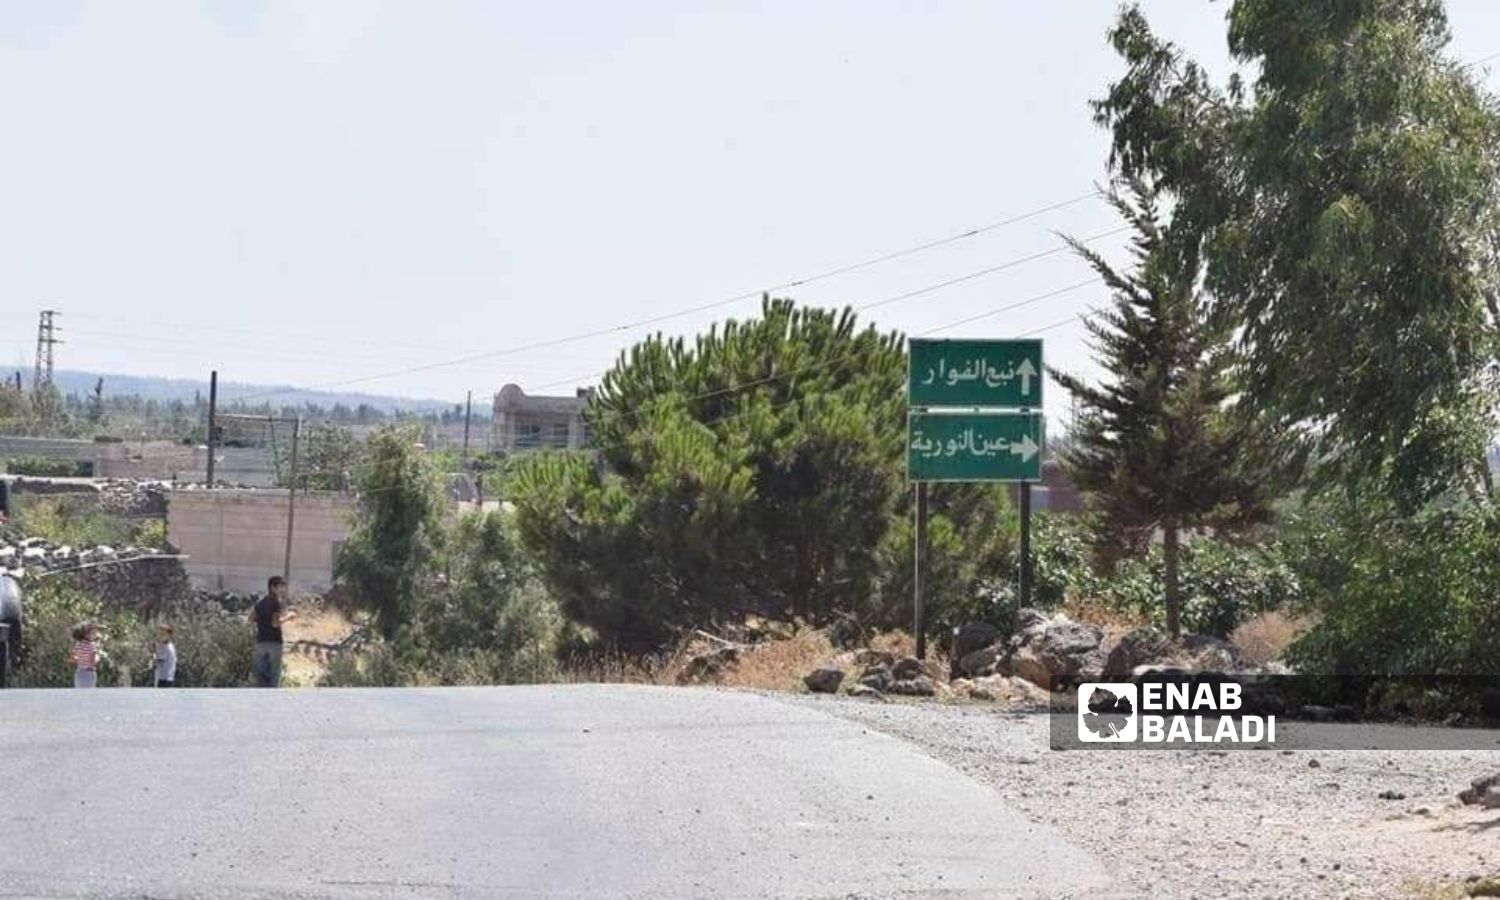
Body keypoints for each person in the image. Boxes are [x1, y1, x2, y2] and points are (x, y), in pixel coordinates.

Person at [248, 576, 296, 687]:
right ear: (272, 587)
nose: (282, 590)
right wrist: (289, 617)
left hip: (260, 642)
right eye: (280, 587)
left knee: (260, 678)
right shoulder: (276, 602)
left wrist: (261, 620)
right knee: (274, 678)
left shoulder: (260, 603)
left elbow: (250, 619)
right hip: (274, 643)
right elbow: (275, 623)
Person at [69, 622, 102, 688]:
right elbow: (94, 659)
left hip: (79, 671)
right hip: (89, 672)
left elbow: (73, 657)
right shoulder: (92, 645)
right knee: (89, 692)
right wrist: (98, 656)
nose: (95, 635)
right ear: (87, 634)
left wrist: (78, 660)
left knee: (79, 691)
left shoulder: (78, 644)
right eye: (93, 633)